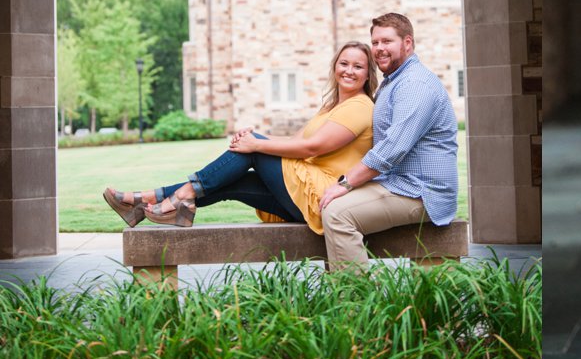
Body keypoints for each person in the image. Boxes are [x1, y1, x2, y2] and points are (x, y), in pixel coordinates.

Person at [103, 41, 377, 232]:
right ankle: (145, 202)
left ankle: (179, 195)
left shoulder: (360, 106)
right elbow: (294, 140)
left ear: (367, 74)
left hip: (323, 197)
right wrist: (252, 135)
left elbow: (310, 147)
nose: (349, 71)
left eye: (357, 67)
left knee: (255, 149)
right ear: (335, 66)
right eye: (344, 63)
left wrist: (255, 143)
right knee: (236, 180)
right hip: (304, 194)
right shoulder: (333, 107)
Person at [318, 12, 459, 271]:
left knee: (338, 213)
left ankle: (355, 305)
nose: (379, 49)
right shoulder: (394, 81)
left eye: (387, 42)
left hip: (422, 193)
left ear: (407, 43)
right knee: (328, 201)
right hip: (399, 184)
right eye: (375, 42)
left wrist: (346, 183)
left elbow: (392, 149)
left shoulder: (415, 84)